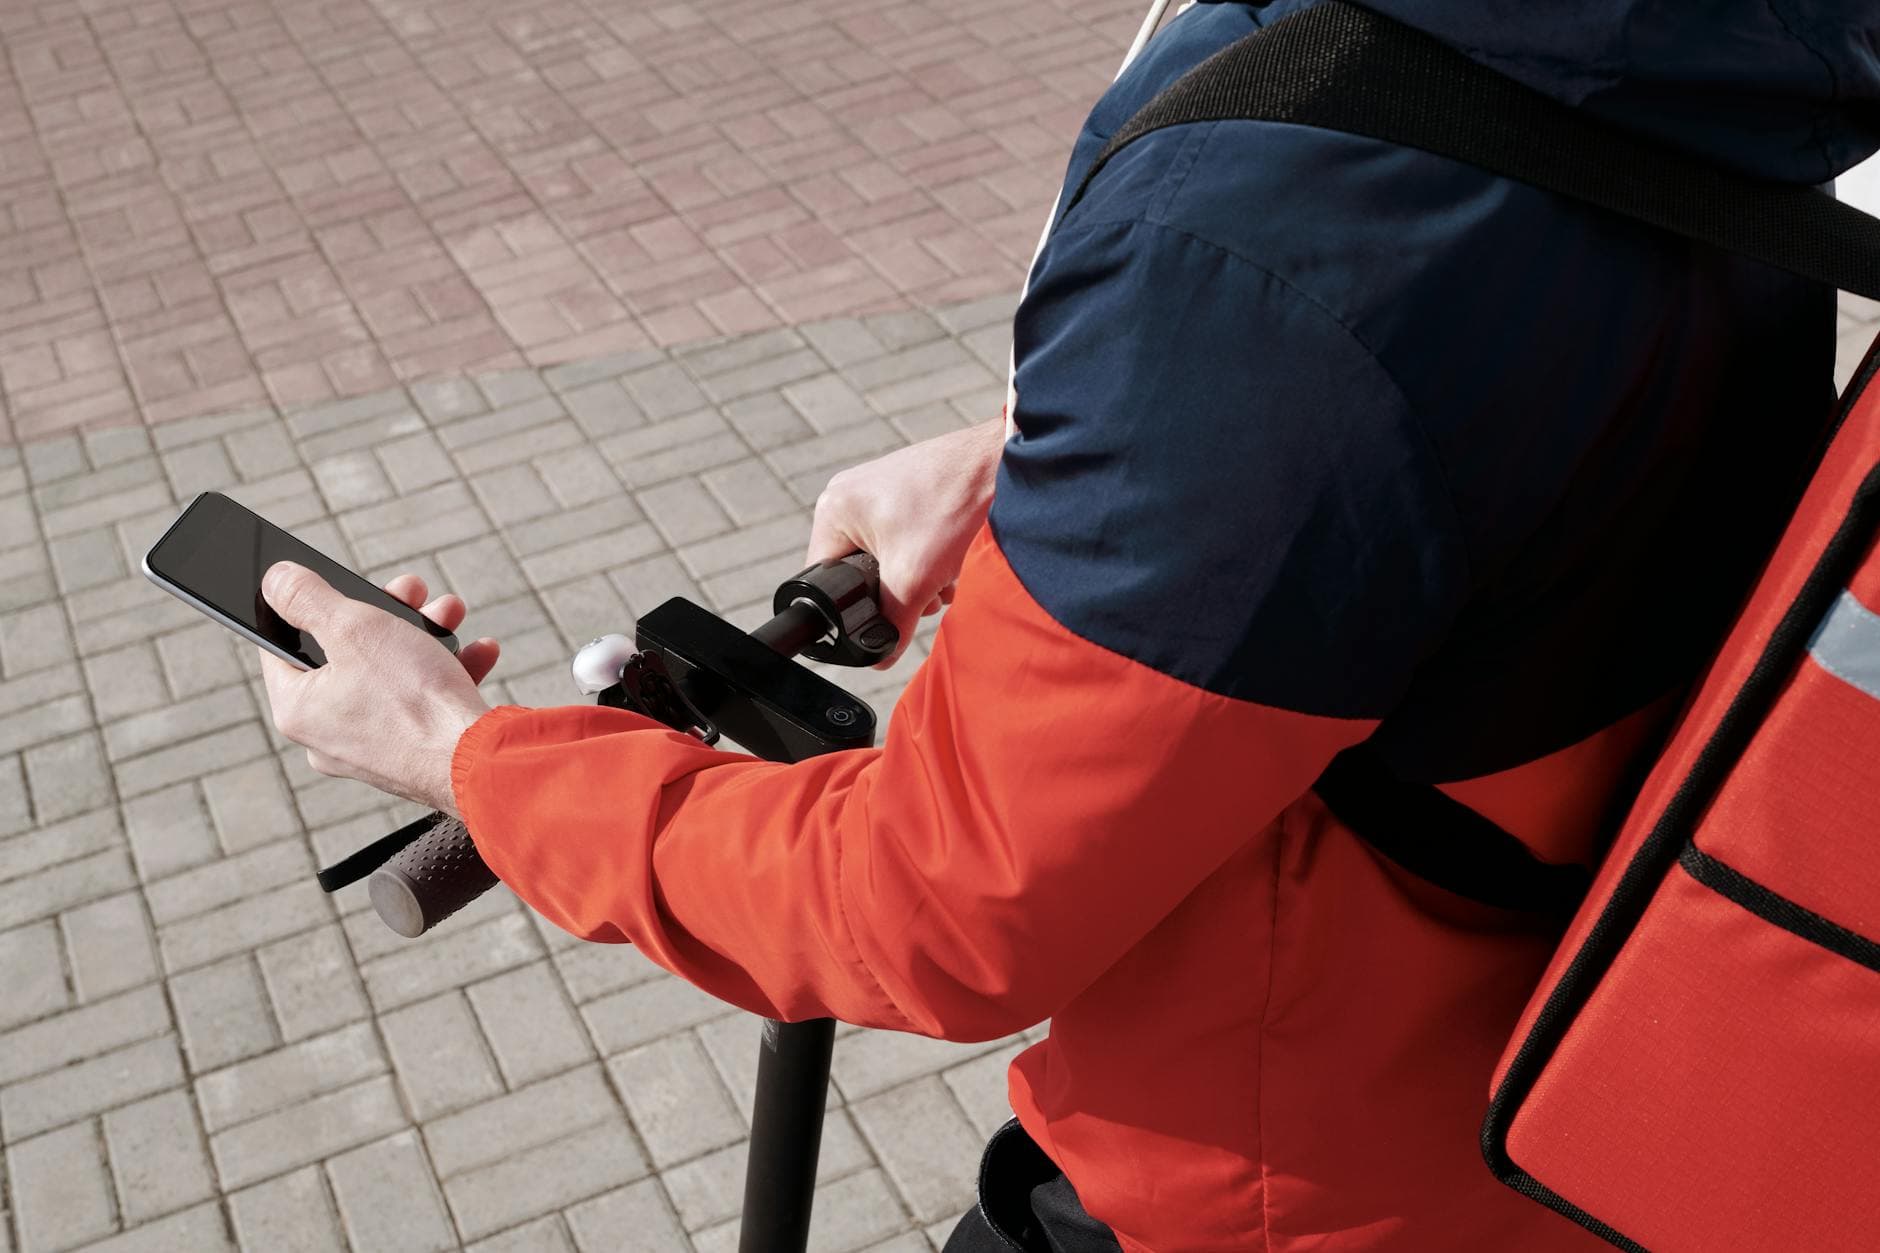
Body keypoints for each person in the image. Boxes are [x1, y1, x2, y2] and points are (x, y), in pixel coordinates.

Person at [258, 0, 1878, 1247]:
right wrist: (1044, 455)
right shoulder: (1667, 46)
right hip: (1549, 1107)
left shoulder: (1269, 243)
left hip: (1258, 1189)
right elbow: (1481, 387)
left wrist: (463, 752)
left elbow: (934, 903)